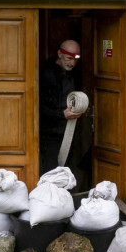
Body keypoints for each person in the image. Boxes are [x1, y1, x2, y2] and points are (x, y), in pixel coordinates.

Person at [39, 39, 90, 187]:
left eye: (75, 59)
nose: (72, 63)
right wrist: (61, 115)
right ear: (59, 54)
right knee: (51, 172)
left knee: (65, 171)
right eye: (69, 58)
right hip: (50, 133)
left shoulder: (73, 72)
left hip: (68, 131)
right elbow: (38, 107)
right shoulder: (46, 74)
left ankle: (63, 204)